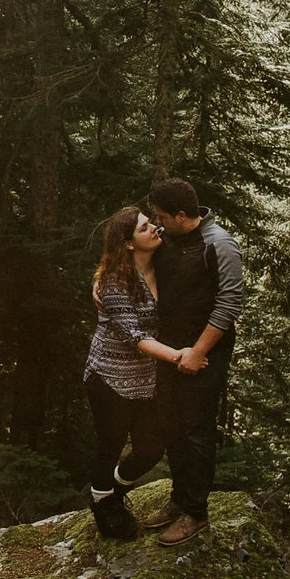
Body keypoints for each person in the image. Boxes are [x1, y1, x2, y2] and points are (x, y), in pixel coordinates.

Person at [142, 176, 245, 545]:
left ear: (182, 215)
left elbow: (230, 303)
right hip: (168, 349)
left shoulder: (219, 245)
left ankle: (196, 513)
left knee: (196, 429)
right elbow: (133, 258)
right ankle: (177, 500)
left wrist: (198, 352)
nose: (157, 222)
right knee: (170, 424)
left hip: (206, 353)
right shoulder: (166, 237)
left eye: (162, 216)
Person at [83, 206, 185, 540]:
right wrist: (182, 356)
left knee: (150, 449)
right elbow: (137, 338)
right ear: (128, 243)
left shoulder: (163, 259)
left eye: (152, 222)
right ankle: (104, 507)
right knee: (109, 444)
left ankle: (112, 490)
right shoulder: (114, 280)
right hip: (109, 377)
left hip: (145, 379)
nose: (155, 228)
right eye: (145, 228)